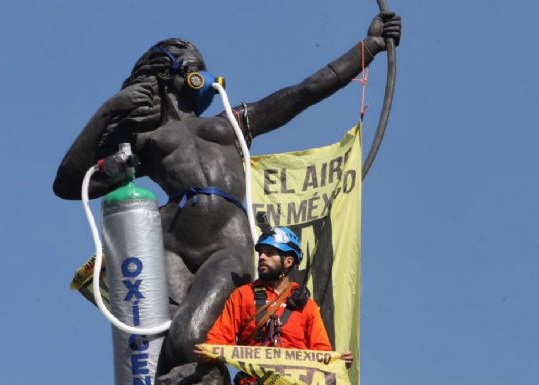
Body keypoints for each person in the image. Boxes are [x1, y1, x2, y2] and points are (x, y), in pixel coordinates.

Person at [52, 12, 400, 373]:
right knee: (159, 352)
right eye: (195, 63)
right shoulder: (145, 142)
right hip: (169, 250)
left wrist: (369, 47)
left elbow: (303, 93)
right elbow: (68, 183)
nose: (202, 71)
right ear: (176, 71)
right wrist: (111, 108)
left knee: (190, 341)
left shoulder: (231, 123)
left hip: (226, 248)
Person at [195, 226, 352, 384]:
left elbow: (322, 353)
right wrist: (208, 352)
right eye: (261, 252)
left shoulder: (306, 306)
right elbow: (219, 338)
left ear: (288, 261)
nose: (262, 257)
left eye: (269, 253)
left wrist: (337, 362)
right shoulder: (243, 295)